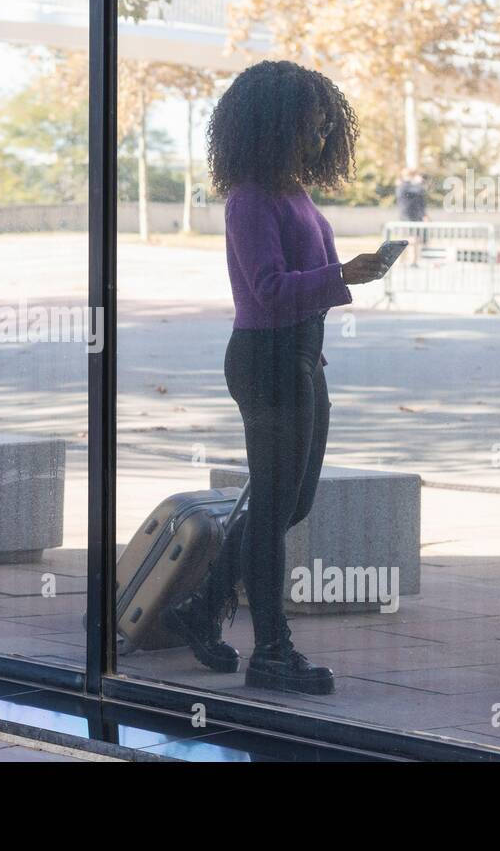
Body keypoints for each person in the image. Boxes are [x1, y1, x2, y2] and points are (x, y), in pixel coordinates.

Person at [162, 60, 384, 695]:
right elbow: (266, 290)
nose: (315, 140)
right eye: (305, 128)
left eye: (321, 129)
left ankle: (201, 610)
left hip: (300, 356)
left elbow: (297, 287)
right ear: (269, 128)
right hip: (267, 358)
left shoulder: (293, 193)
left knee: (291, 502)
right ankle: (272, 651)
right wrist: (345, 274)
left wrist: (340, 280)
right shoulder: (250, 200)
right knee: (274, 508)